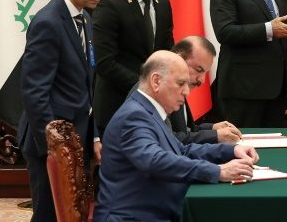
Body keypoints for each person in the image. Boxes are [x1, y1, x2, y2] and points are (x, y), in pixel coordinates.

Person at [94, 51, 259, 222]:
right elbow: (155, 161)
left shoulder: (148, 111)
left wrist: (231, 151)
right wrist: (218, 171)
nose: (187, 92)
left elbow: (181, 150)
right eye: (181, 84)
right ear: (156, 81)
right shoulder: (134, 116)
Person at [17, 0, 108, 222]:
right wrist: (54, 148)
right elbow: (35, 92)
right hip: (52, 143)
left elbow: (86, 86)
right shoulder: (48, 22)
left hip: (77, 138)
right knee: (49, 214)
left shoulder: (85, 18)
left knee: (73, 214)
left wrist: (93, 137)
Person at [92, 0, 175, 134]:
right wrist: (146, 87)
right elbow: (105, 63)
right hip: (117, 108)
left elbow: (166, 52)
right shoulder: (110, 4)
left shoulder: (163, 4)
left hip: (154, 110)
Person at [168, 36, 242, 144]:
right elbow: (170, 139)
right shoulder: (161, 92)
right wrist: (215, 136)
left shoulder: (178, 88)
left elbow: (185, 130)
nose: (202, 80)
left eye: (205, 73)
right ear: (179, 60)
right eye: (199, 70)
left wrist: (213, 128)